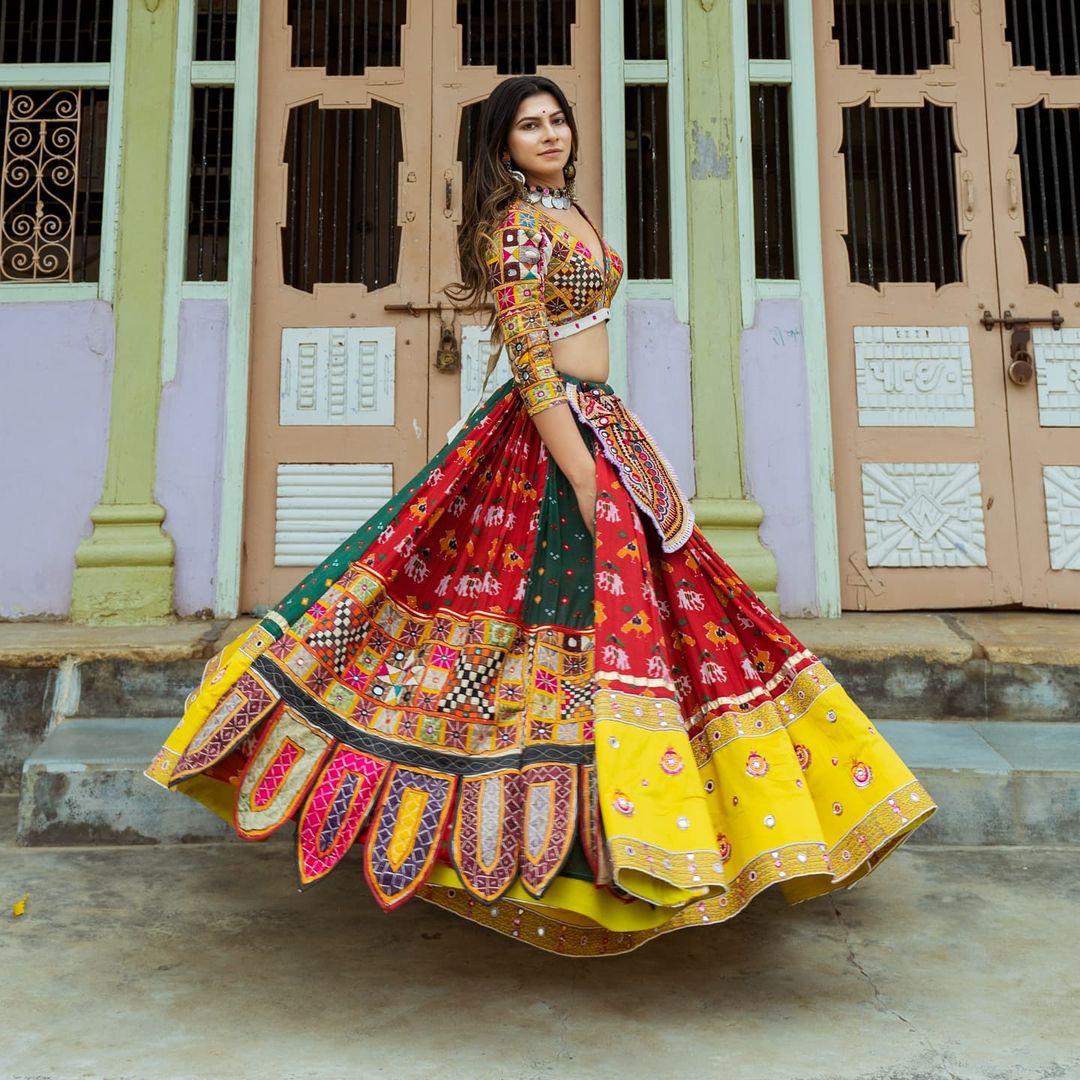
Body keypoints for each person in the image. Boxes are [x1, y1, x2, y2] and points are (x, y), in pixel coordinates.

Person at [145, 75, 936, 957]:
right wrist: (587, 480)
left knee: (651, 630)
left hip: (600, 423)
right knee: (548, 632)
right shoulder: (517, 228)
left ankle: (649, 836)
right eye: (530, 125)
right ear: (503, 145)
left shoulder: (566, 209)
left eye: (558, 119)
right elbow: (530, 362)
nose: (551, 133)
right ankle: (578, 852)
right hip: (550, 442)